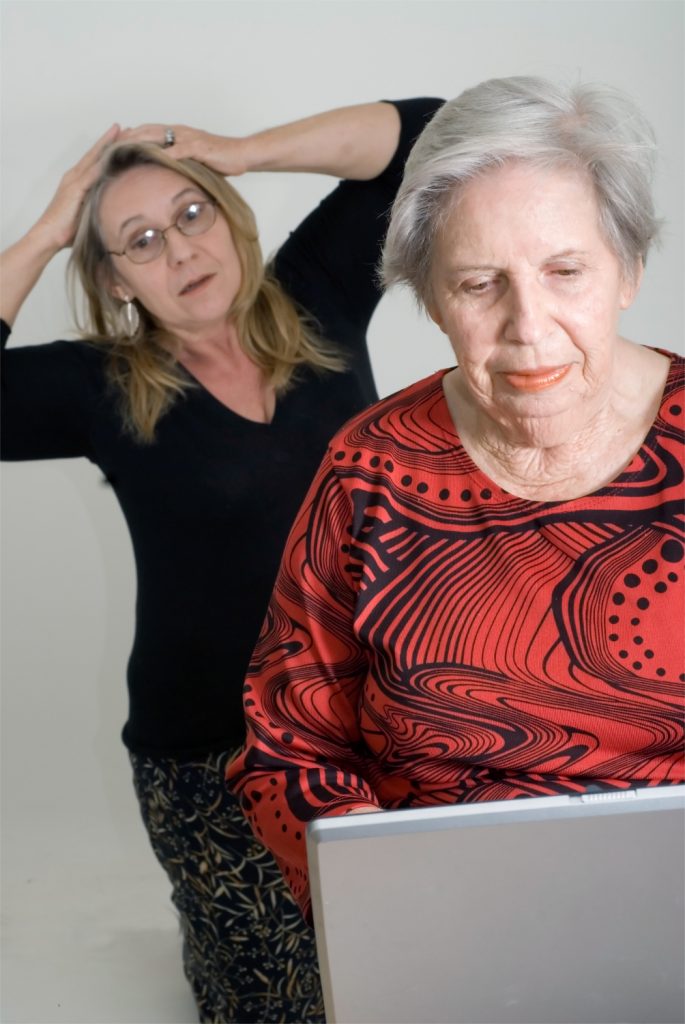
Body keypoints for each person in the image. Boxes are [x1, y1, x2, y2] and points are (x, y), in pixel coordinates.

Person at [0, 96, 443, 1023]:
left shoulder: (313, 298)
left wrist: (239, 150)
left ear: (226, 214)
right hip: (212, 752)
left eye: (192, 214)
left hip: (372, 718)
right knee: (278, 1003)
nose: (181, 251)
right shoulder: (103, 386)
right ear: (119, 281)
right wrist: (49, 229)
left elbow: (426, 130)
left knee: (402, 964)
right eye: (142, 241)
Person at [227, 76, 685, 920]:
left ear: (629, 269)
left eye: (565, 271)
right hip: (440, 910)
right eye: (479, 284)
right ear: (431, 299)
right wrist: (387, 897)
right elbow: (291, 744)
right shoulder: (369, 470)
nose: (528, 325)